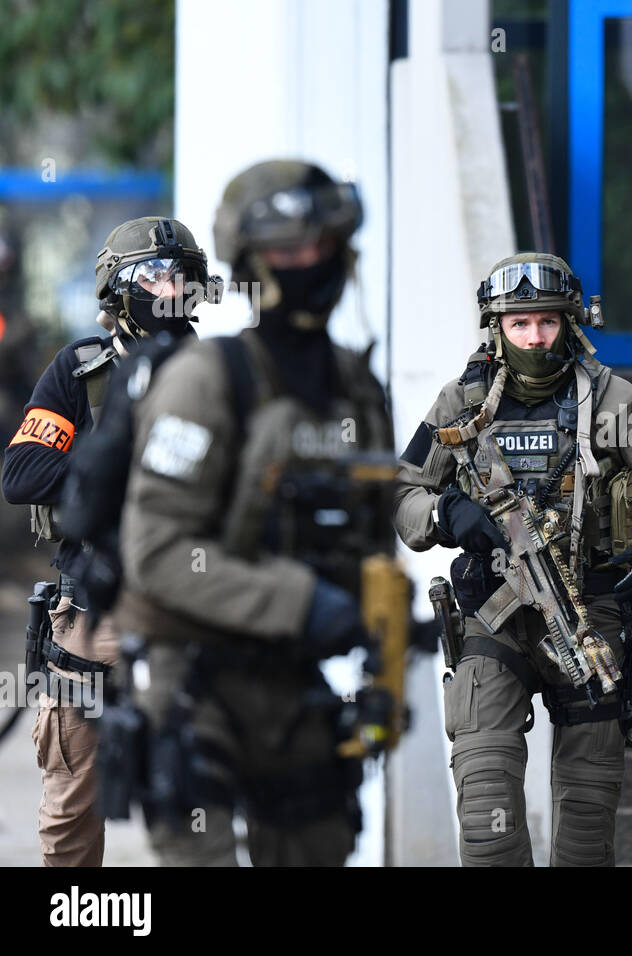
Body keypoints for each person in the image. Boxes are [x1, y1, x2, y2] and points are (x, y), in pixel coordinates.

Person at [394, 252, 632, 866]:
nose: (534, 337)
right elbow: (401, 490)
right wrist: (445, 515)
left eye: (546, 321)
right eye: (519, 325)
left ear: (570, 323)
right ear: (498, 329)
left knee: (585, 836)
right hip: (493, 620)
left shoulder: (614, 401)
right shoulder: (459, 403)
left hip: (587, 620)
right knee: (488, 826)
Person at [111, 160, 391, 865]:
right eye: (288, 252)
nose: (309, 265)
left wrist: (382, 656)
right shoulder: (205, 380)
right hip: (193, 677)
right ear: (253, 261)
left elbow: (372, 539)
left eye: (321, 247)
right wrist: (300, 601)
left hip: (292, 682)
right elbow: (160, 554)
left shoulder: (357, 388)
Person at [2, 216, 212, 866]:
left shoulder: (222, 373)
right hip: (95, 608)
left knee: (204, 799)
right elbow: (22, 474)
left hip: (199, 606)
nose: (168, 287)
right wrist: (116, 475)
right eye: (152, 275)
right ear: (117, 287)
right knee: (71, 805)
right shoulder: (81, 370)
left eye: (180, 275)